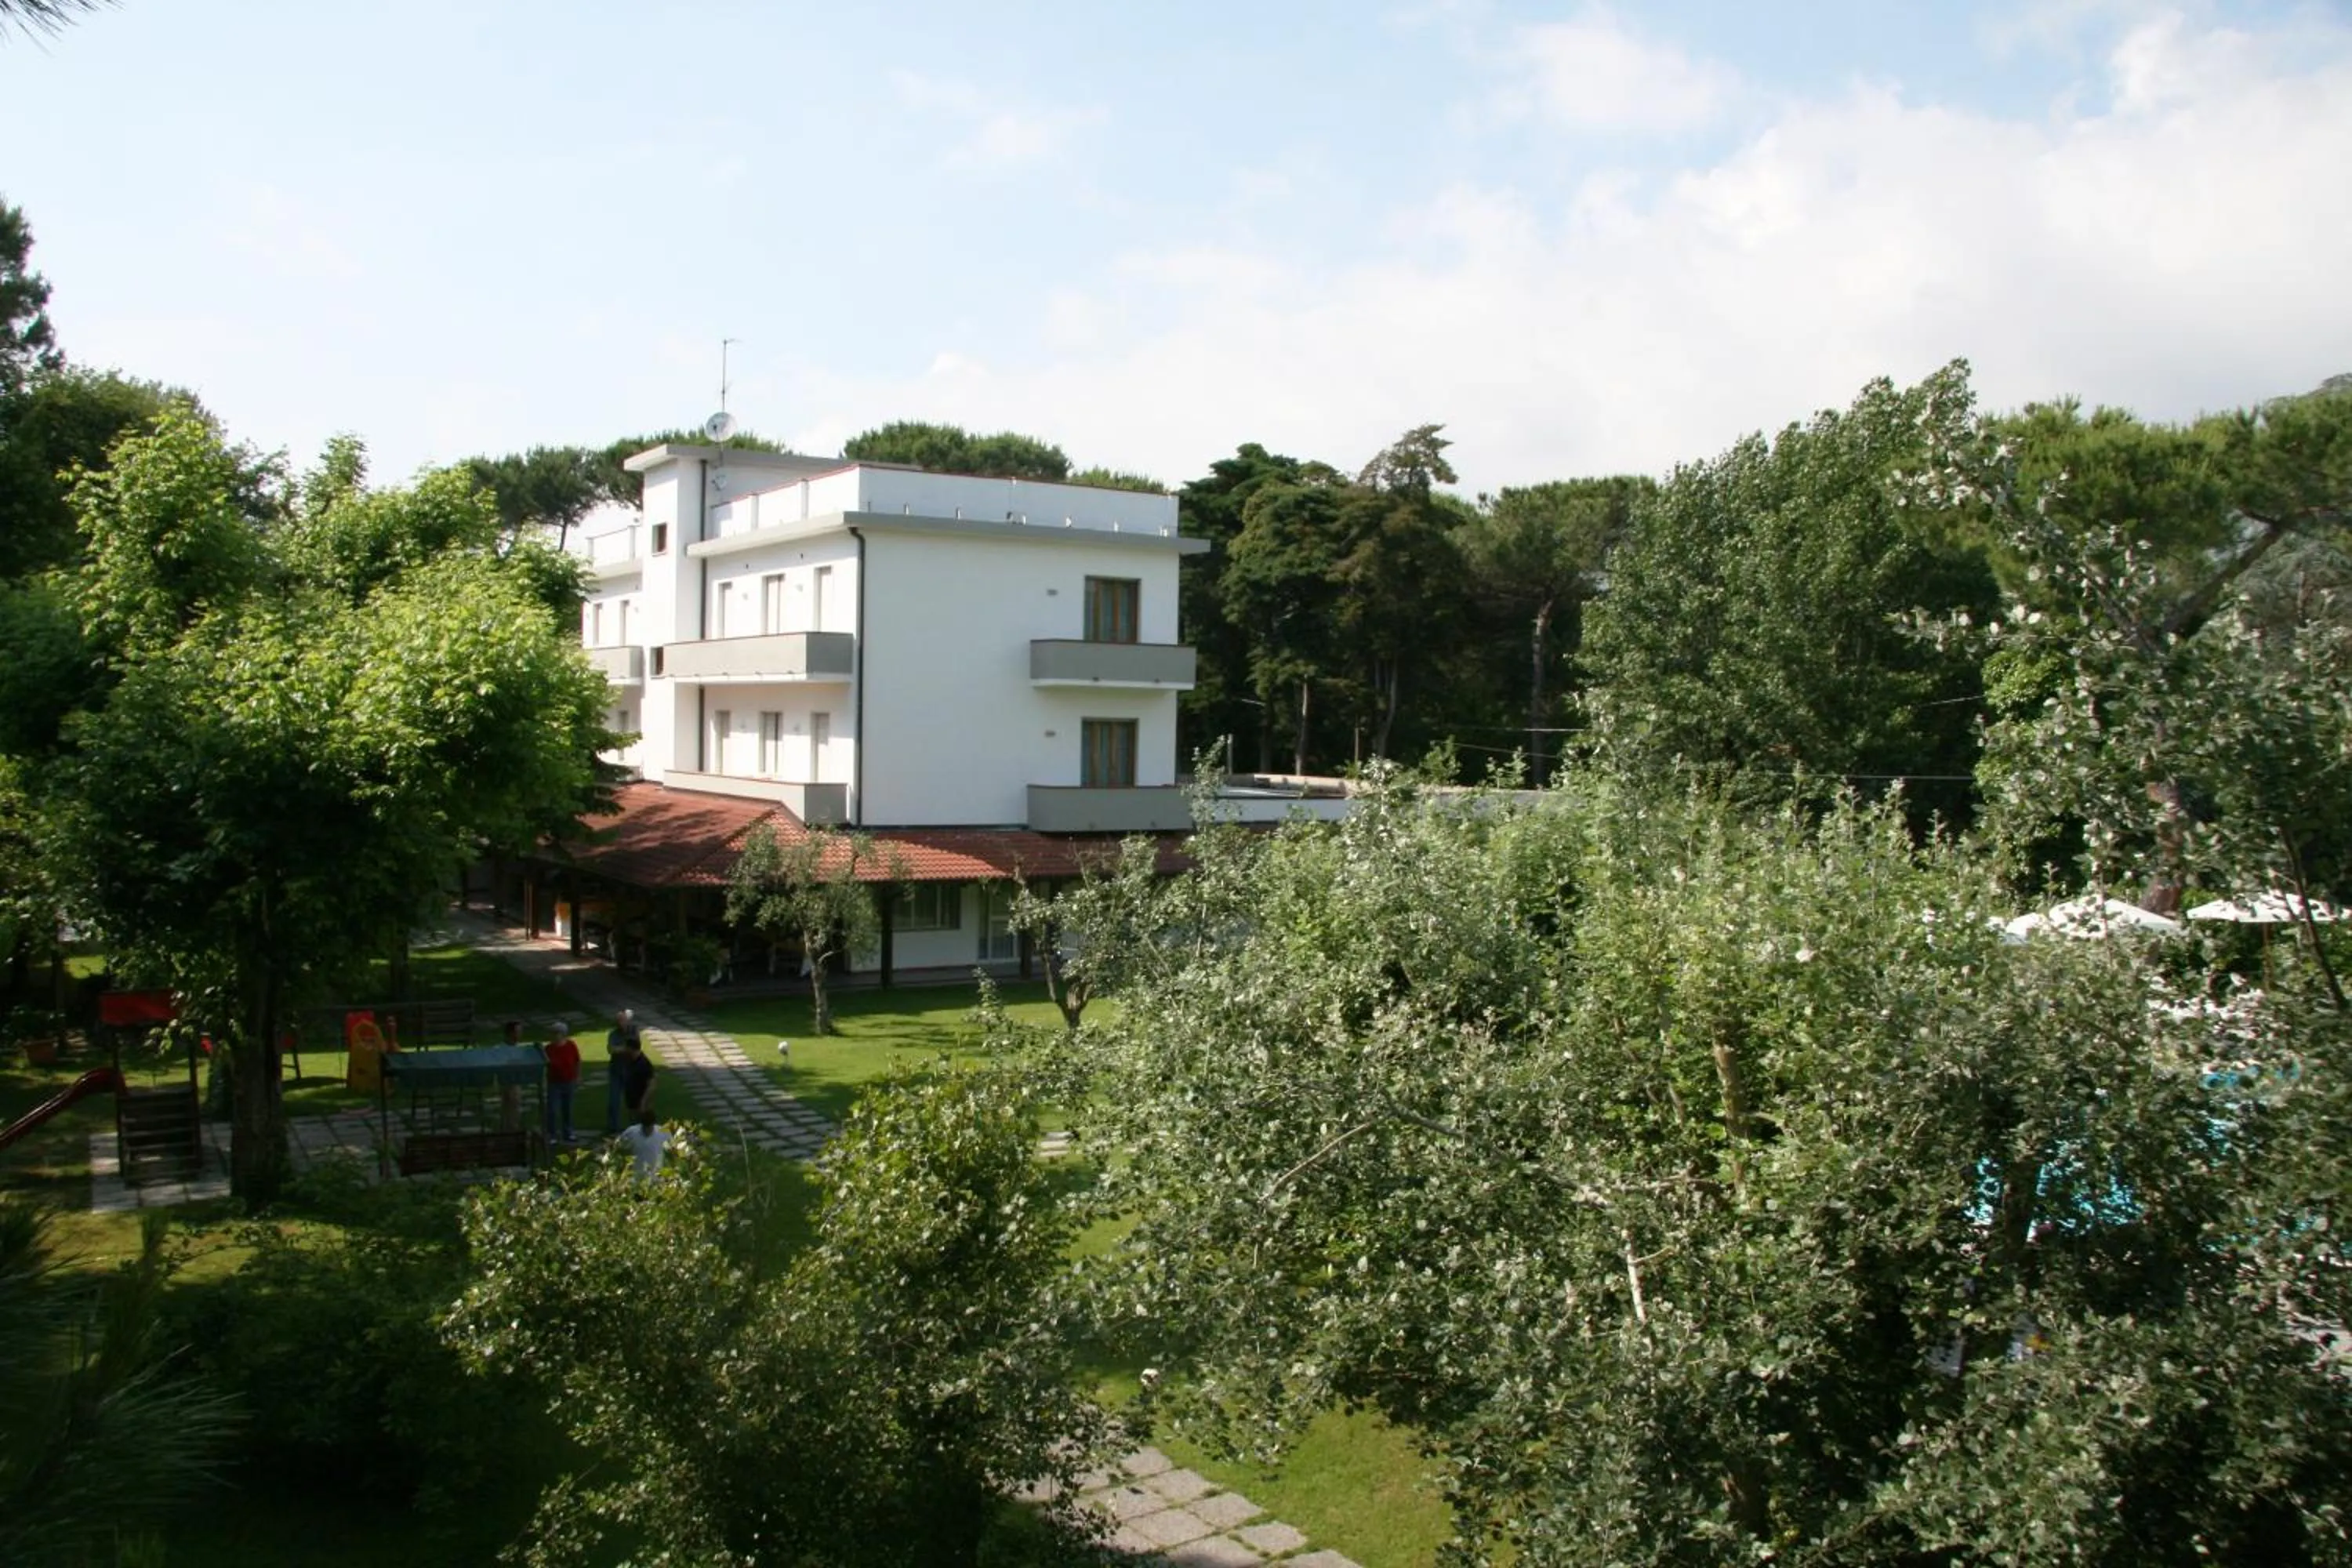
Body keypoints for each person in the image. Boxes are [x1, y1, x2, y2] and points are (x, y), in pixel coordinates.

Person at [543, 1018, 582, 1145]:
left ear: (563, 1034)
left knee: (568, 1109)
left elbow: (577, 1061)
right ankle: (552, 1134)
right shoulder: (548, 1048)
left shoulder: (571, 1046)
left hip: (569, 1081)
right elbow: (545, 1064)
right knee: (552, 1109)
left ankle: (568, 1132)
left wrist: (578, 1076)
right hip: (554, 1083)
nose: (554, 1036)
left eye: (556, 1033)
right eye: (552, 1033)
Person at [604, 1008, 642, 1135]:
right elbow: (611, 1050)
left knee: (633, 1100)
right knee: (614, 1101)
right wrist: (626, 1048)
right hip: (616, 1071)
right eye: (618, 1021)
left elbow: (636, 1048)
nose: (620, 1023)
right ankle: (613, 1127)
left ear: (627, 1021)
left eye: (622, 1020)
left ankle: (636, 1127)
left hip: (631, 1071)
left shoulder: (634, 1031)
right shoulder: (613, 1034)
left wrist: (620, 1049)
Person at [616, 1108, 675, 1182]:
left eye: (649, 1127)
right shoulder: (631, 1132)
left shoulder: (664, 1133)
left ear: (653, 1124)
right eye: (645, 1127)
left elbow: (673, 1151)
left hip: (656, 1180)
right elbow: (619, 1148)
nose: (647, 1130)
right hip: (636, 1179)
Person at [619, 1031, 656, 1122]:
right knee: (633, 1126)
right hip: (632, 1104)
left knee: (642, 1126)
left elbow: (651, 1085)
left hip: (642, 1105)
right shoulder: (629, 1060)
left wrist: (643, 1102)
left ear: (631, 1048)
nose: (624, 1049)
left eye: (626, 1047)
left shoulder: (644, 1064)